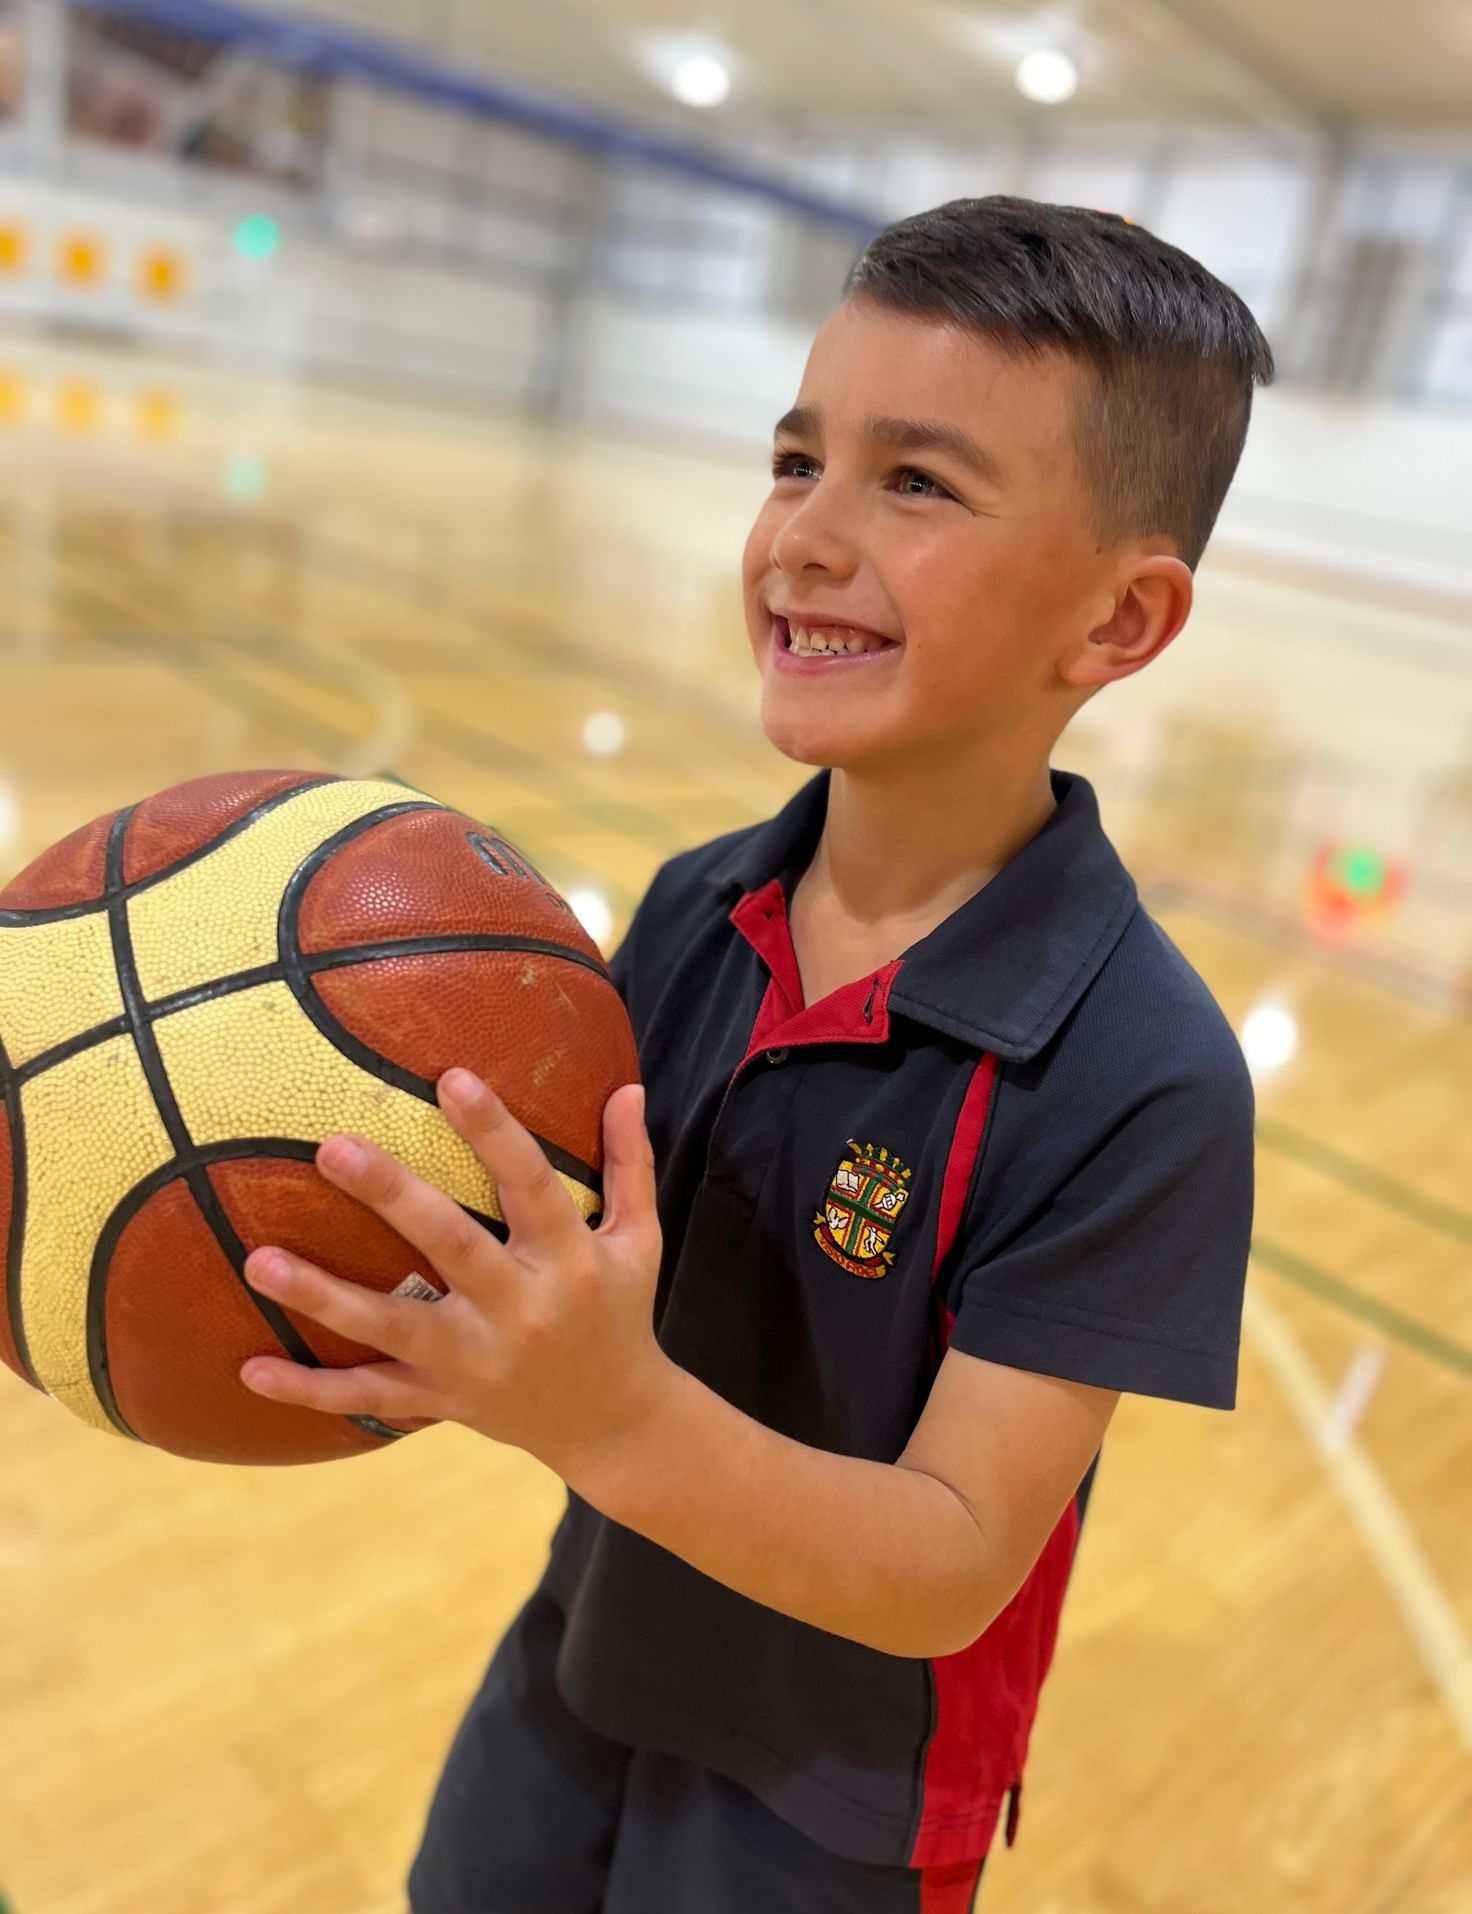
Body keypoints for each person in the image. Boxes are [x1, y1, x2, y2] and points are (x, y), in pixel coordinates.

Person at [403, 194, 1272, 1912]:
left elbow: (952, 1559)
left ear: (1116, 625)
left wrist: (613, 1412)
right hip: (584, 1654)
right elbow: (571, 1272)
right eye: (797, 457)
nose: (804, 532)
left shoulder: (1144, 1075)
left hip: (839, 1802)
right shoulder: (693, 904)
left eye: (917, 482)